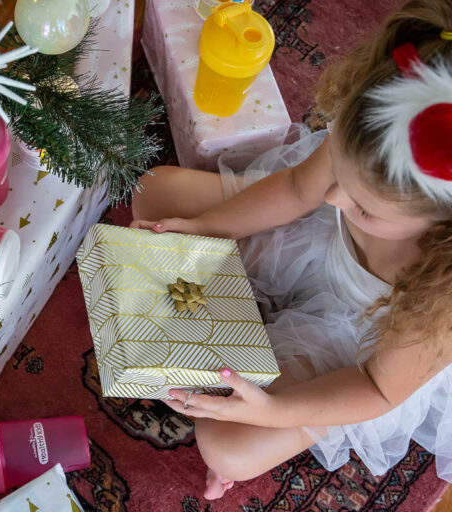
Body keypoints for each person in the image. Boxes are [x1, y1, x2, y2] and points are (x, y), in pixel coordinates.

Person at [130, 0, 452, 500]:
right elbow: (302, 192)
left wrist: (272, 412)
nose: (335, 198)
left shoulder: (443, 293)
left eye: (362, 207)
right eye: (340, 176)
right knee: (156, 193)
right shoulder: (372, 140)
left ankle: (249, 370)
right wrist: (203, 227)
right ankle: (220, 317)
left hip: (361, 339)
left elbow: (377, 388)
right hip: (313, 241)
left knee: (227, 446)